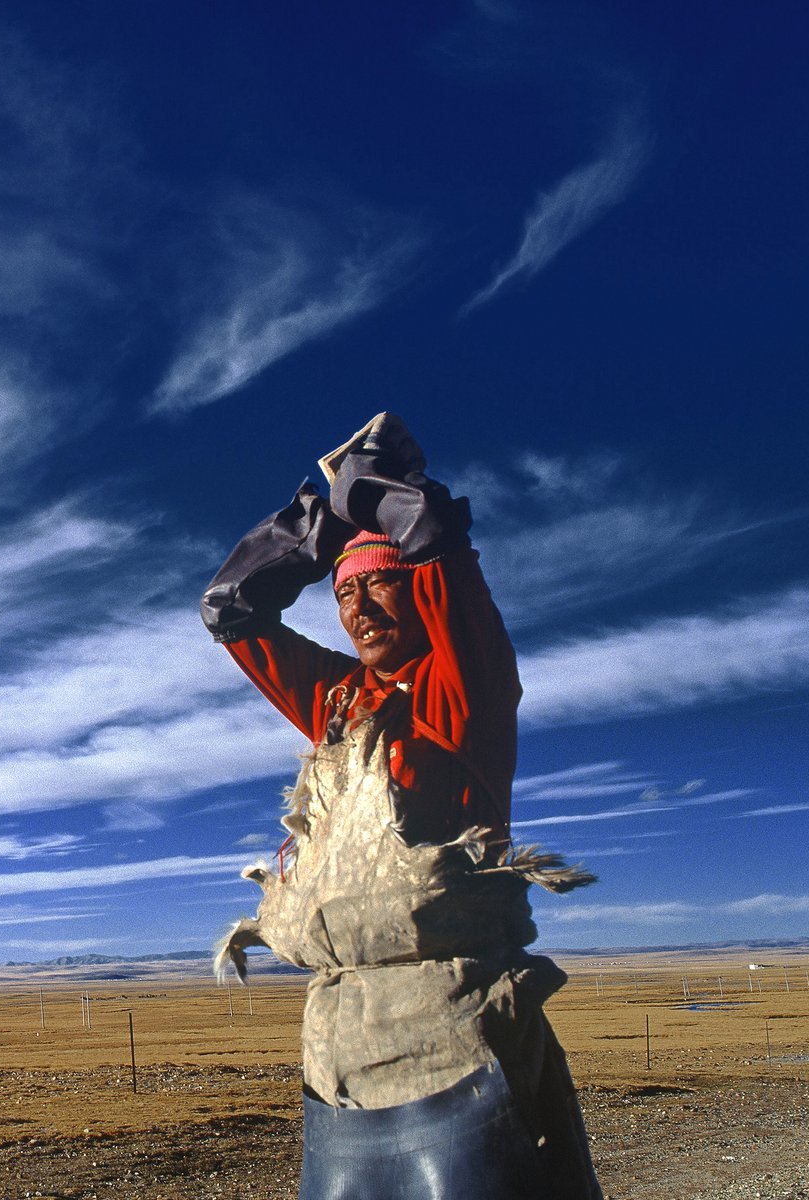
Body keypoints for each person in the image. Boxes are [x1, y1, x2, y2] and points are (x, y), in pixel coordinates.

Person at [203, 414, 602, 1200]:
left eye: (376, 582)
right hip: (340, 1051)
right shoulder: (345, 702)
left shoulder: (463, 688)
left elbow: (429, 536)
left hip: (454, 1037)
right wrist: (311, 535)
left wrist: (363, 494)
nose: (358, 607)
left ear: (416, 586)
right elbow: (233, 611)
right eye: (344, 593)